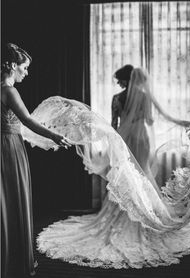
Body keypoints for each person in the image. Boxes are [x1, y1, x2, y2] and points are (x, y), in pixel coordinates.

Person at [34, 68, 190, 269]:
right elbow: (150, 120)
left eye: (120, 80)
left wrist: (111, 142)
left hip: (125, 140)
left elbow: (114, 124)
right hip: (142, 140)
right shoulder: (144, 97)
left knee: (126, 175)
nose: (118, 84)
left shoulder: (116, 99)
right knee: (142, 176)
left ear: (125, 79)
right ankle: (145, 214)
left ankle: (124, 213)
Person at [1, 43, 71, 278]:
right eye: (24, 67)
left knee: (4, 201)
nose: (27, 73)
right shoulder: (8, 90)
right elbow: (28, 121)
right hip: (8, 149)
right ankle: (12, 262)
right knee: (12, 198)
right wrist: (53, 135)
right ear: (12, 66)